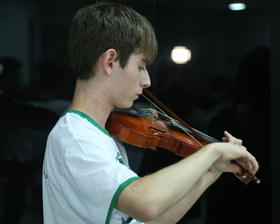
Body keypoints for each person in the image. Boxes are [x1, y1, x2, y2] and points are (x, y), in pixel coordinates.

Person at [42, 2, 259, 224]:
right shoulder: (77, 139)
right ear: (109, 62)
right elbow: (145, 204)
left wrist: (210, 172)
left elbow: (149, 221)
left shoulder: (98, 135)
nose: (147, 81)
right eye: (140, 66)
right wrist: (211, 151)